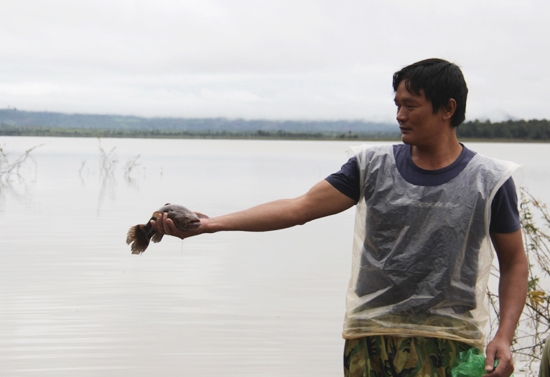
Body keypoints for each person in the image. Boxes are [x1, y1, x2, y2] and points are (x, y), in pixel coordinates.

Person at [152, 58, 528, 377]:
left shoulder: (489, 180)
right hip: (370, 336)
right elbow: (299, 208)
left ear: (447, 108)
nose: (399, 115)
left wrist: (504, 337)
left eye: (411, 105)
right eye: (396, 104)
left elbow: (513, 262)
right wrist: (212, 223)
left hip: (451, 342)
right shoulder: (371, 167)